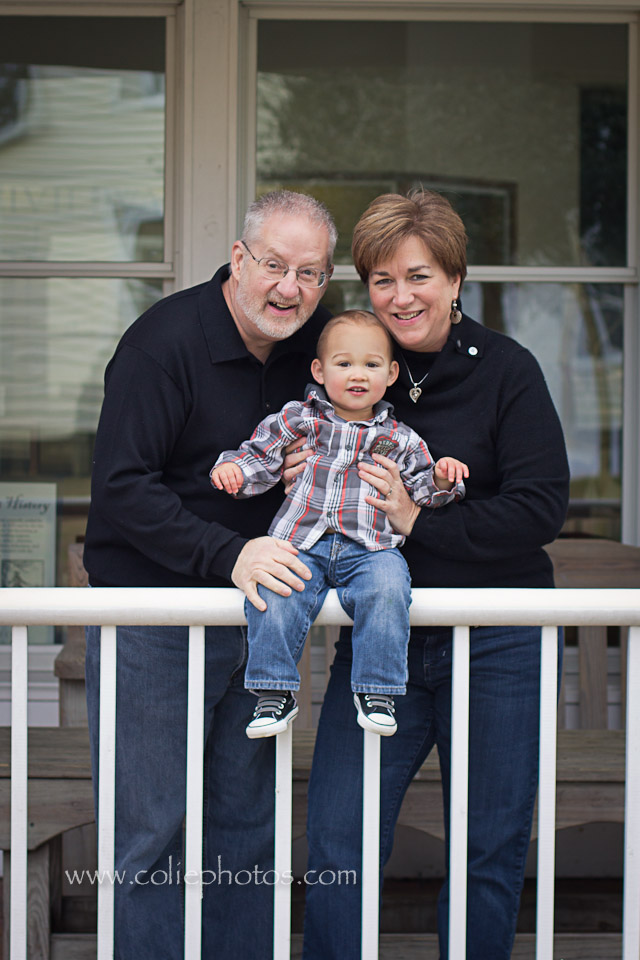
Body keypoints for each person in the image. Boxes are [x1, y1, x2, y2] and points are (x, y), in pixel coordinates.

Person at [299, 190, 570, 960]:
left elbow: (538, 510)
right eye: (382, 281)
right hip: (385, 638)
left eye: (418, 276)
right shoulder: (344, 373)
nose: (401, 297)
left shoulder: (507, 371)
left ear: (455, 279)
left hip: (502, 641)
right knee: (340, 841)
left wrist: (422, 524)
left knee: (486, 848)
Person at [82, 189, 337, 960]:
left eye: (312, 274)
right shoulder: (163, 343)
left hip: (260, 620)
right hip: (151, 624)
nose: (289, 288)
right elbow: (123, 489)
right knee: (151, 837)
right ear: (237, 260)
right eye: (273, 266)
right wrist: (228, 556)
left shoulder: (317, 346)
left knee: (245, 835)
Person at [210, 310, 468, 738]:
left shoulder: (401, 438)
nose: (357, 375)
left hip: (370, 549)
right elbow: (260, 455)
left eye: (370, 365)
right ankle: (274, 690)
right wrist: (235, 469)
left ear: (390, 374)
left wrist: (442, 477)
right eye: (343, 363)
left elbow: (423, 490)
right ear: (320, 370)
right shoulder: (299, 419)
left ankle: (378, 688)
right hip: (300, 542)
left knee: (389, 588)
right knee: (275, 592)